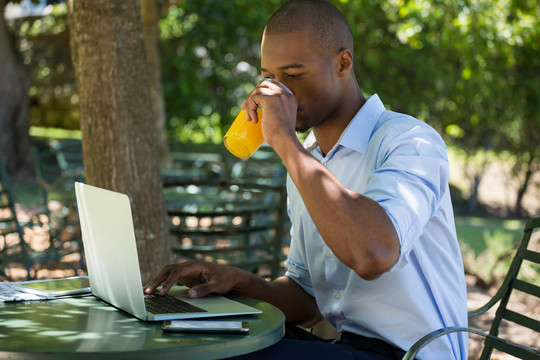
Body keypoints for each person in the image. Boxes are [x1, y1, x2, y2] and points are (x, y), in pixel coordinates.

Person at [145, 0, 468, 359]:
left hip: (410, 353)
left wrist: (284, 141)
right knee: (192, 341)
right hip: (344, 347)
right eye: (268, 77)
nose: (277, 92)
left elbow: (373, 254)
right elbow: (308, 300)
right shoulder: (308, 160)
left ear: (343, 63)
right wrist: (235, 280)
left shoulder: (410, 141)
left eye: (294, 76)